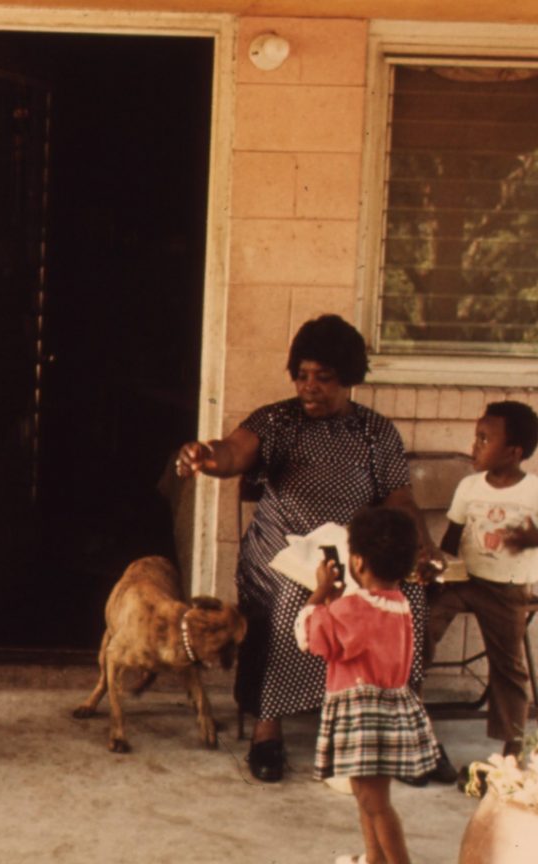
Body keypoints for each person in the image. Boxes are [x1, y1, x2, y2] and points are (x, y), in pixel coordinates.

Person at [174, 315, 437, 783]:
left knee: (407, 597)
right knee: (295, 599)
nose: (310, 388)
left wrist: (422, 547)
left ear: (349, 379)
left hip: (352, 550)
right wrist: (205, 456)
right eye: (302, 376)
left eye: (324, 378)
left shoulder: (376, 432)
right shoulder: (277, 421)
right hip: (285, 546)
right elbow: (232, 452)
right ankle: (267, 731)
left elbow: (400, 498)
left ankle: (403, 733)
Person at [427, 400, 538, 765]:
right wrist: (439, 570)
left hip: (507, 590)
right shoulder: (469, 486)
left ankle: (512, 743)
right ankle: (410, 711)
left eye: (484, 439)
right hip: (464, 581)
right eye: (476, 437)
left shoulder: (537, 490)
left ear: (513, 452)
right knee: (422, 626)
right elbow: (453, 534)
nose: (475, 446)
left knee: (508, 664)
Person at [297, 506, 440, 864]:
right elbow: (350, 637)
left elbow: (314, 637)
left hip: (364, 717)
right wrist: (335, 602)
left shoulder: (354, 609)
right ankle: (374, 859)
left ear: (357, 563)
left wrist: (319, 592)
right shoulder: (399, 603)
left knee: (376, 804)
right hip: (386, 712)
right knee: (366, 796)